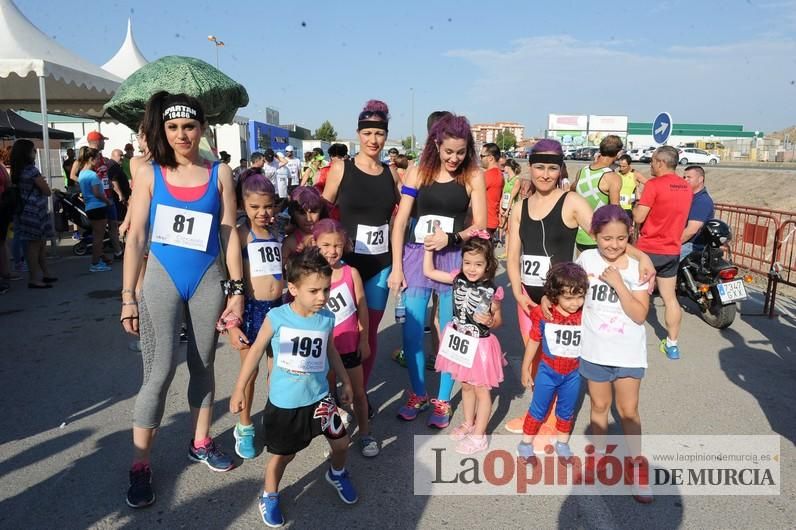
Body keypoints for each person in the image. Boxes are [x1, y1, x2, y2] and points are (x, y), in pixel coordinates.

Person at [119, 91, 243, 509]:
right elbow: (135, 237)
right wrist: (127, 298)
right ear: (163, 130)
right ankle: (140, 464)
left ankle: (201, 441)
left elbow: (228, 233)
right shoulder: (149, 172)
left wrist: (237, 290)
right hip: (161, 280)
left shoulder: (220, 173)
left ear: (202, 129)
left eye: (189, 126)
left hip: (207, 278)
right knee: (158, 374)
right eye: (172, 127)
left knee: (203, 364)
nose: (181, 134)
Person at [503, 139, 654, 434]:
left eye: (551, 168)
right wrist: (517, 291)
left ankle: (558, 421)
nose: (545, 174)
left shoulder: (571, 202)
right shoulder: (520, 206)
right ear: (530, 169)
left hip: (561, 302)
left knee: (560, 362)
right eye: (539, 168)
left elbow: (606, 235)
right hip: (528, 300)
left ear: (560, 170)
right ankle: (539, 413)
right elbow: (512, 255)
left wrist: (641, 255)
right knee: (537, 360)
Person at [230, 248, 358, 527]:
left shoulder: (327, 318)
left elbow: (331, 350)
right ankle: (270, 494)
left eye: (326, 290)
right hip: (286, 404)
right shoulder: (277, 318)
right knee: (283, 456)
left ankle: (336, 473)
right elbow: (254, 353)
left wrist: (345, 380)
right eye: (314, 291)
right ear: (293, 288)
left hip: (321, 399)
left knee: (342, 443)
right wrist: (240, 388)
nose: (322, 298)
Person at [388, 113, 487, 428]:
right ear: (436, 144)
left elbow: (481, 224)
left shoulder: (473, 175)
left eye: (460, 151)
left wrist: (453, 238)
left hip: (453, 259)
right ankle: (418, 393)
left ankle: (443, 400)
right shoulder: (418, 172)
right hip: (417, 258)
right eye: (448, 152)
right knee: (412, 332)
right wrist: (396, 267)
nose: (454, 158)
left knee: (449, 333)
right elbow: (401, 221)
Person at [322, 100, 401, 399]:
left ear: (386, 136)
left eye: (379, 134)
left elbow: (404, 212)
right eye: (367, 133)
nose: (373, 140)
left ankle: (359, 392)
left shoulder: (391, 174)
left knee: (369, 332)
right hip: (345, 265)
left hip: (381, 265)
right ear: (358, 134)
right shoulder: (341, 168)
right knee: (340, 330)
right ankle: (332, 393)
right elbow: (324, 209)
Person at [576, 205, 653, 503]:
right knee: (598, 406)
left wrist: (619, 284)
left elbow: (639, 315)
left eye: (621, 238)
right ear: (594, 235)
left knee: (628, 411)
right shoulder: (586, 259)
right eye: (607, 238)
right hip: (594, 351)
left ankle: (636, 467)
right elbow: (573, 297)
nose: (614, 245)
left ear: (629, 236)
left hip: (628, 355)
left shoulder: (638, 268)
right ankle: (596, 459)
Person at [424, 233, 505, 454]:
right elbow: (429, 272)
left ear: (488, 265)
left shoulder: (492, 292)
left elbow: (498, 320)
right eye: (467, 263)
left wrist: (491, 319)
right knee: (466, 385)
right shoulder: (456, 278)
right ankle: (469, 423)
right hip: (459, 340)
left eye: (478, 264)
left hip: (479, 345)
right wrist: (428, 247)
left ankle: (479, 436)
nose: (471, 268)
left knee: (481, 390)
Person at [224, 171, 283, 461]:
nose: (263, 212)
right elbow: (230, 279)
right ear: (243, 207)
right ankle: (245, 425)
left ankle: (272, 420)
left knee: (277, 370)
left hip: (278, 308)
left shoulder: (277, 233)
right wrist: (232, 323)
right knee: (251, 371)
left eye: (268, 206)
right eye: (255, 207)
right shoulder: (239, 234)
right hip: (251, 310)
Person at [312, 219, 379, 457]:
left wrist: (364, 339)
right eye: (326, 245)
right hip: (323, 349)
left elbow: (362, 307)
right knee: (328, 396)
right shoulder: (312, 275)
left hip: (349, 346)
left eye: (337, 245)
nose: (332, 250)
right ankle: (337, 438)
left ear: (345, 245)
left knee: (358, 392)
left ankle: (365, 433)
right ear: (315, 244)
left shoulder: (351, 272)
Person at [516, 263, 589, 460]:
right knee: (538, 409)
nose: (575, 303)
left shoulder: (585, 315)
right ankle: (525, 443)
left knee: (566, 410)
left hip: (573, 374)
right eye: (569, 298)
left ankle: (562, 443)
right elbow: (533, 340)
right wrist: (525, 367)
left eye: (580, 297)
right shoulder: (544, 314)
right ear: (555, 295)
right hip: (547, 371)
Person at [633, 145, 692, 360]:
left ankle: (629, 339)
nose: (650, 164)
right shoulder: (686, 187)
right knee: (670, 298)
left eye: (652, 160)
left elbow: (639, 217)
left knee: (636, 294)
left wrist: (635, 203)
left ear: (660, 162)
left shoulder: (654, 185)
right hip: (671, 250)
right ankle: (673, 344)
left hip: (647, 249)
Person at [9, 139, 55, 289]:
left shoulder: (17, 170)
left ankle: (45, 274)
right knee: (35, 246)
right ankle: (35, 278)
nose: (35, 152)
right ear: (27, 153)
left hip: (25, 211)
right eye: (33, 150)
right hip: (34, 211)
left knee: (37, 244)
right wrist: (44, 186)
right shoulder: (31, 170)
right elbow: (46, 190)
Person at [569, 135, 624, 251]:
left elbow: (571, 193)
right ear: (618, 154)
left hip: (580, 235)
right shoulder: (612, 177)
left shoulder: (581, 172)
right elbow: (615, 210)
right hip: (601, 237)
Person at [77, 147, 113, 272]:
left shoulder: (81, 173)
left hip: (90, 207)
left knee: (97, 235)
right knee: (99, 237)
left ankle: (100, 258)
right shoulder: (93, 175)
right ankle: (95, 263)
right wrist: (107, 201)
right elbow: (97, 193)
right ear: (91, 159)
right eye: (97, 158)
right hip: (97, 206)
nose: (99, 161)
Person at [281, 186, 329, 260]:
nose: (309, 219)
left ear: (321, 211)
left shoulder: (330, 235)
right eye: (302, 213)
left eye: (313, 211)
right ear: (293, 213)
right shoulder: (290, 243)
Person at [680, 165, 714, 259]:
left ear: (700, 179)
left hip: (692, 245)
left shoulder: (702, 201)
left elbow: (691, 231)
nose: (685, 180)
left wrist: (671, 245)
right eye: (684, 177)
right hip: (685, 242)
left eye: (689, 177)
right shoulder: (690, 197)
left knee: (659, 263)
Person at [480, 142, 504, 237]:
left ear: (490, 158)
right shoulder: (499, 175)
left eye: (482, 156)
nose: (480, 158)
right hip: (491, 221)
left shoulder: (489, 175)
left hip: (484, 222)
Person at [109, 148, 132, 222]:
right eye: (120, 156)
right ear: (113, 156)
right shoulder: (113, 166)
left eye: (123, 155)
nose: (122, 158)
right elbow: (113, 181)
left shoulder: (116, 165)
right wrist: (120, 195)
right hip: (118, 199)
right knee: (120, 219)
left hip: (119, 198)